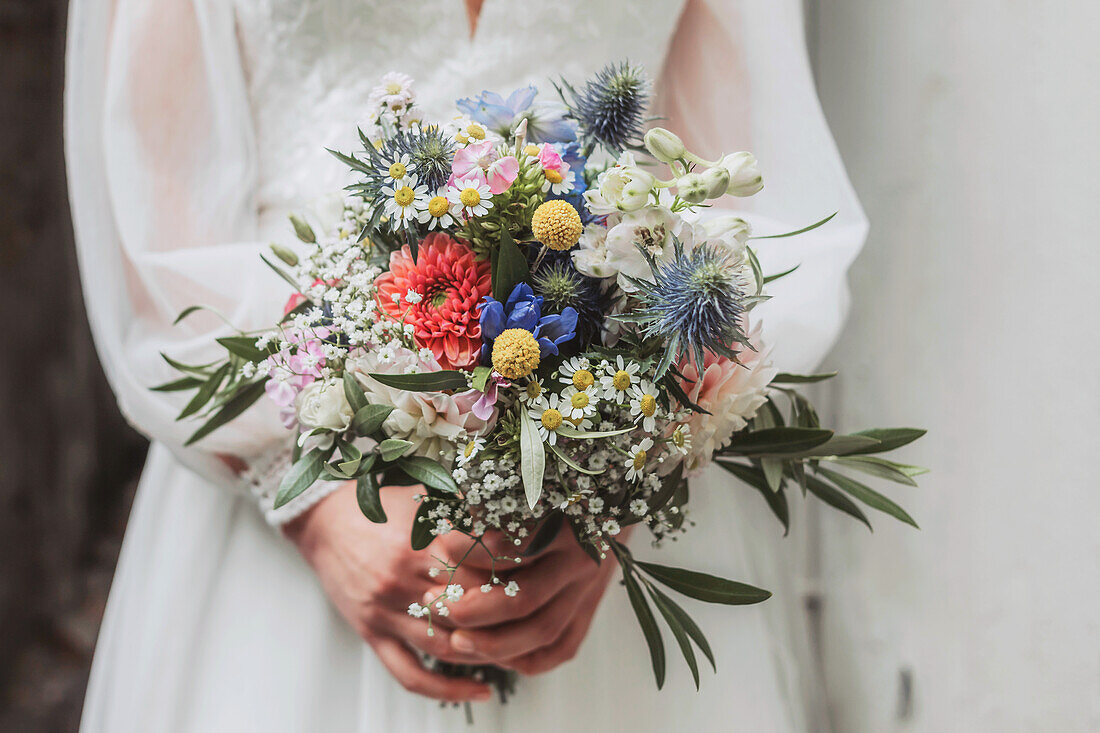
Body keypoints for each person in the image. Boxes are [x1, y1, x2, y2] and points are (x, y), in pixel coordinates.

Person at [65, 0, 868, 729]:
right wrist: (309, 501)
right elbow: (157, 200)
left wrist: (616, 489)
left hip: (606, 487)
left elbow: (737, 192)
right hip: (284, 471)